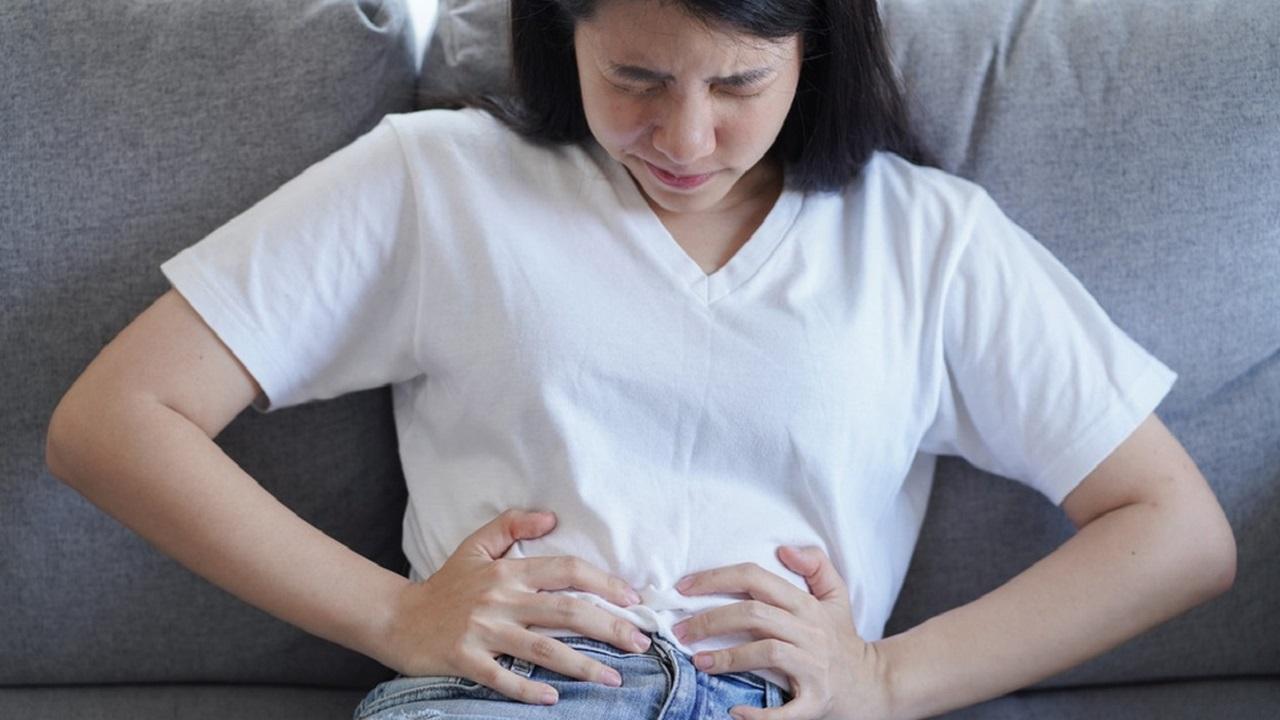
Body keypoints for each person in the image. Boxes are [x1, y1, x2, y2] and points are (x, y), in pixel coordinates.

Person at [45, 0, 1236, 718]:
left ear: (811, 51)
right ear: (561, 30)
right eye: (635, 78)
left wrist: (887, 680)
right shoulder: (437, 181)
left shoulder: (926, 238)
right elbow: (117, 417)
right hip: (509, 698)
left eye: (738, 83)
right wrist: (393, 614)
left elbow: (1174, 529)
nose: (685, 137)